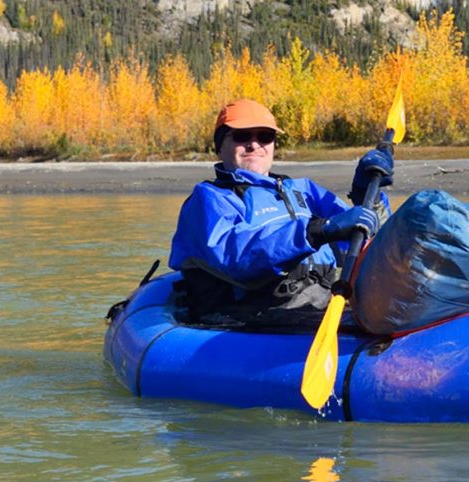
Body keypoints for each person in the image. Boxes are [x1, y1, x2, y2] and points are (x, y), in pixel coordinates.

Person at [168, 99, 394, 326]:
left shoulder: (301, 189)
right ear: (220, 146)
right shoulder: (209, 198)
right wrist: (314, 232)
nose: (254, 145)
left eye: (264, 136)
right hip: (251, 318)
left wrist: (366, 195)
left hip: (316, 305)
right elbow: (234, 252)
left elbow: (367, 242)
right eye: (242, 136)